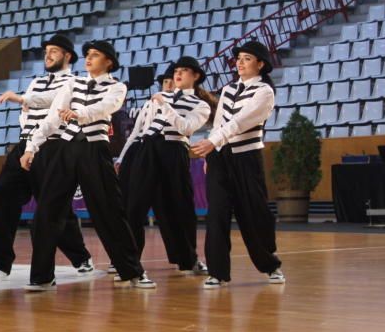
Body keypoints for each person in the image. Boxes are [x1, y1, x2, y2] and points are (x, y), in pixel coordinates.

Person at [21, 40, 155, 289]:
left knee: (110, 212)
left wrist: (80, 113)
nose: (89, 59)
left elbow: (108, 107)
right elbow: (52, 117)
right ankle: (42, 277)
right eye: (87, 55)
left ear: (109, 62)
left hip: (95, 149)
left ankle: (133, 271)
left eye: (95, 55)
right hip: (66, 148)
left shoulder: (117, 87)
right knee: (47, 212)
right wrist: (32, 146)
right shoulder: (73, 83)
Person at [0, 32, 93, 284]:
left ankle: (80, 257)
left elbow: (51, 103)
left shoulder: (74, 82)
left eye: (54, 51)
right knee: (2, 196)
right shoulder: (36, 82)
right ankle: (0, 264)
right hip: (25, 144)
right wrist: (27, 121)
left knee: (54, 209)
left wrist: (23, 99)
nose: (48, 55)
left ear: (67, 56)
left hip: (52, 147)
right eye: (46, 51)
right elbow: (28, 111)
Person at [191, 41, 284, 289]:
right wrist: (213, 154)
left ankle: (270, 265)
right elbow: (220, 122)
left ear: (260, 64)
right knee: (217, 214)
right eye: (239, 59)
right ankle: (217, 272)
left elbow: (240, 123)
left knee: (253, 215)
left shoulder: (265, 92)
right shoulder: (229, 90)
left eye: (246, 59)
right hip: (221, 157)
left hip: (247, 159)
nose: (240, 63)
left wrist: (212, 142)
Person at [120, 56, 213, 274]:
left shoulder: (200, 105)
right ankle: (127, 261)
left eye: (184, 71)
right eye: (176, 71)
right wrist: (123, 157)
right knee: (134, 206)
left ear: (196, 76)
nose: (177, 74)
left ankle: (187, 259)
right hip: (147, 148)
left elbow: (185, 128)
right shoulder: (158, 97)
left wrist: (166, 106)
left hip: (174, 150)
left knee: (179, 206)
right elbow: (139, 129)